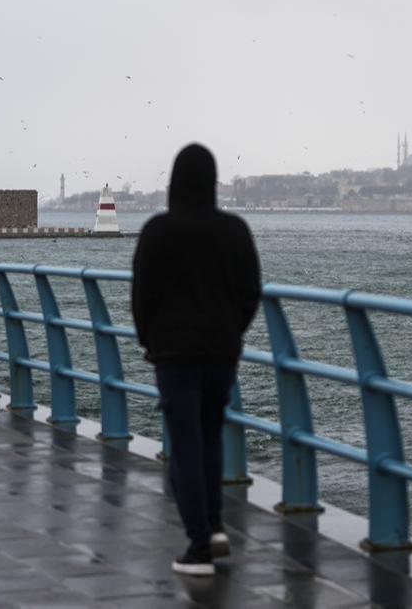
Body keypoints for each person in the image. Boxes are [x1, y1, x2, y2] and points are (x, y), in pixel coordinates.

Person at [132, 144, 261, 576]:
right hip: (221, 353)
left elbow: (142, 296)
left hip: (173, 354)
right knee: (210, 438)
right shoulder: (234, 231)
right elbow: (249, 292)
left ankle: (199, 545)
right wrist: (232, 333)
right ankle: (216, 525)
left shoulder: (157, 231)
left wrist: (150, 339)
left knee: (184, 445)